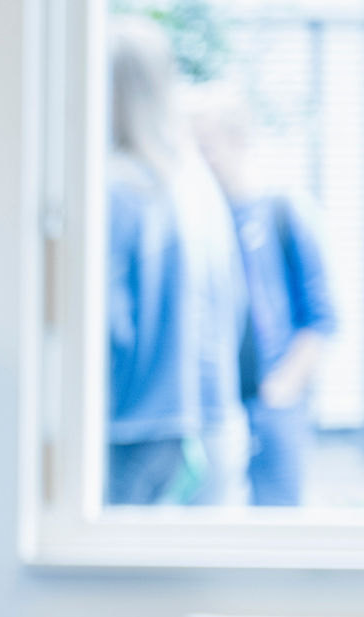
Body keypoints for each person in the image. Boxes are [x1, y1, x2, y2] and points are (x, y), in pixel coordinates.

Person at [108, 16, 246, 506]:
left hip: (131, 426)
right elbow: (234, 305)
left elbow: (108, 323)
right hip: (207, 418)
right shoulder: (195, 185)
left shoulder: (117, 189)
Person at [192, 83, 339, 508]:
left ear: (238, 141)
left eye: (207, 146)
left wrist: (282, 389)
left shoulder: (283, 211)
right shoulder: (201, 221)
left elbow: (322, 316)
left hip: (273, 408)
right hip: (218, 411)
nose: (201, 160)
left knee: (276, 529)